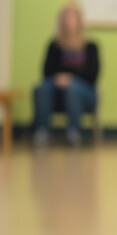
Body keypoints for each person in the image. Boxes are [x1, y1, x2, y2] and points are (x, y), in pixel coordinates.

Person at [34, 3, 100, 146]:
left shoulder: (90, 46)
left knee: (73, 88)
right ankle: (42, 130)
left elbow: (93, 75)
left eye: (73, 16)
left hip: (84, 90)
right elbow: (46, 71)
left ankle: (74, 132)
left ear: (79, 20)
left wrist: (71, 78)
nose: (69, 20)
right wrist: (59, 78)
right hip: (56, 86)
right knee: (41, 88)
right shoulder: (54, 45)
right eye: (66, 17)